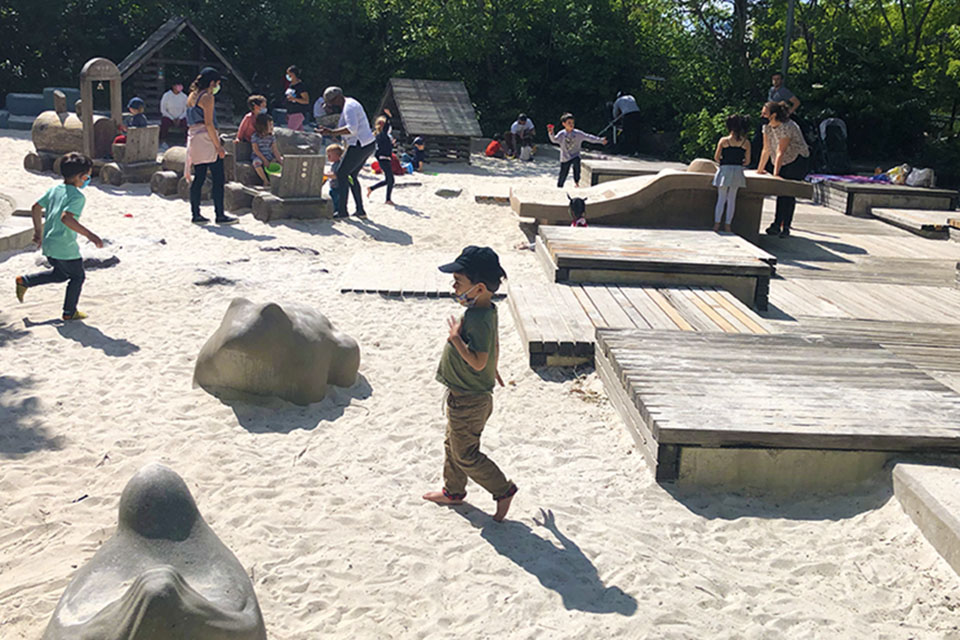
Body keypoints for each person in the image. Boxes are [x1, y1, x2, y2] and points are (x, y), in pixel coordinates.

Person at [423, 246, 518, 523]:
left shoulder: (477, 317)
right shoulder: (486, 310)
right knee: (452, 444)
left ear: (478, 288)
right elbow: (492, 345)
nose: (454, 287)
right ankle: (453, 491)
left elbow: (477, 361)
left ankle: (503, 490)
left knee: (465, 454)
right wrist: (493, 368)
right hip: (465, 396)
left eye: (458, 282)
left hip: (470, 400)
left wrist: (455, 338)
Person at [14, 152, 103, 321]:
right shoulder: (77, 197)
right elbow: (66, 218)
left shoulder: (55, 190)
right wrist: (91, 235)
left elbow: (35, 207)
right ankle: (69, 312)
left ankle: (24, 281)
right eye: (87, 177)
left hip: (49, 244)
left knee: (60, 274)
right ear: (78, 176)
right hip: (65, 247)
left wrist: (38, 232)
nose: (87, 180)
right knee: (77, 277)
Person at [185, 66, 237, 225]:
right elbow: (209, 124)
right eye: (217, 83)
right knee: (218, 178)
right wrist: (218, 146)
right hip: (206, 139)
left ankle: (196, 214)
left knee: (199, 177)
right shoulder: (207, 97)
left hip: (194, 138)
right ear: (212, 82)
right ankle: (220, 215)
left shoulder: (192, 96)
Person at [317, 86, 375, 219]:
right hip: (367, 144)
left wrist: (332, 132)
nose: (331, 105)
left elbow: (352, 129)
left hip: (360, 144)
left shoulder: (349, 107)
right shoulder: (349, 104)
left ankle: (342, 211)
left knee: (341, 174)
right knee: (352, 176)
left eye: (332, 102)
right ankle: (360, 210)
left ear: (338, 98)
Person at [757, 101, 810, 238]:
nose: (762, 115)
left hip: (796, 159)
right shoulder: (766, 127)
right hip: (782, 160)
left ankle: (785, 226)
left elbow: (781, 150)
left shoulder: (787, 126)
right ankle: (776, 224)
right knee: (781, 194)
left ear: (773, 115)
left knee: (788, 192)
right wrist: (760, 170)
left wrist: (776, 174)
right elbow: (766, 149)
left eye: (765, 113)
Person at [711, 114, 751, 232]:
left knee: (721, 199)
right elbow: (747, 161)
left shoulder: (724, 141)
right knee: (732, 199)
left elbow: (716, 157)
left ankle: (716, 224)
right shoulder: (746, 142)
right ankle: (728, 225)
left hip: (724, 171)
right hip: (737, 171)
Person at [546, 113, 607, 188]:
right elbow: (554, 140)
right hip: (565, 157)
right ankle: (560, 186)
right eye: (569, 123)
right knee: (563, 173)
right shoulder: (562, 134)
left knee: (577, 164)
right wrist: (551, 133)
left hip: (575, 155)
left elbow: (589, 137)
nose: (571, 124)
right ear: (564, 124)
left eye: (572, 123)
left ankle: (577, 182)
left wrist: (600, 140)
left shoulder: (578, 133)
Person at [367, 111, 395, 204]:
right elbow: (387, 125)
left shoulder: (381, 135)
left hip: (384, 158)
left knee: (388, 180)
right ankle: (388, 199)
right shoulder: (381, 134)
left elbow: (385, 146)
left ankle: (371, 188)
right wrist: (388, 116)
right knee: (391, 180)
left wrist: (391, 145)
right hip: (383, 159)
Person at [251, 113, 283, 187]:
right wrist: (264, 160)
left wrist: (280, 160)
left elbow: (275, 150)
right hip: (259, 156)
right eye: (270, 125)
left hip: (269, 155)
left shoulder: (272, 137)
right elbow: (256, 150)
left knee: (281, 160)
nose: (272, 127)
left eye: (272, 125)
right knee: (256, 163)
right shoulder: (255, 136)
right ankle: (265, 180)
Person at [612, 91, 642, 156]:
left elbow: (615, 112)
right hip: (637, 114)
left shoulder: (618, 100)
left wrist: (615, 120)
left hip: (628, 115)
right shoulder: (631, 97)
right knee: (635, 132)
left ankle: (628, 151)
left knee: (627, 133)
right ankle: (636, 151)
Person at [284, 66, 310, 131]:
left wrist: (295, 99)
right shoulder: (291, 85)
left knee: (290, 132)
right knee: (299, 133)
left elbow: (306, 100)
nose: (287, 75)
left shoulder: (301, 86)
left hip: (297, 112)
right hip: (291, 112)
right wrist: (288, 113)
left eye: (289, 74)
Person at [324, 143, 343, 213]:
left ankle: (335, 212)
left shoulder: (338, 165)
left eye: (330, 155)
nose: (328, 157)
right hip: (333, 186)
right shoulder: (334, 164)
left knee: (335, 201)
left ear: (337, 156)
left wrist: (325, 175)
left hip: (337, 187)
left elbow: (335, 175)